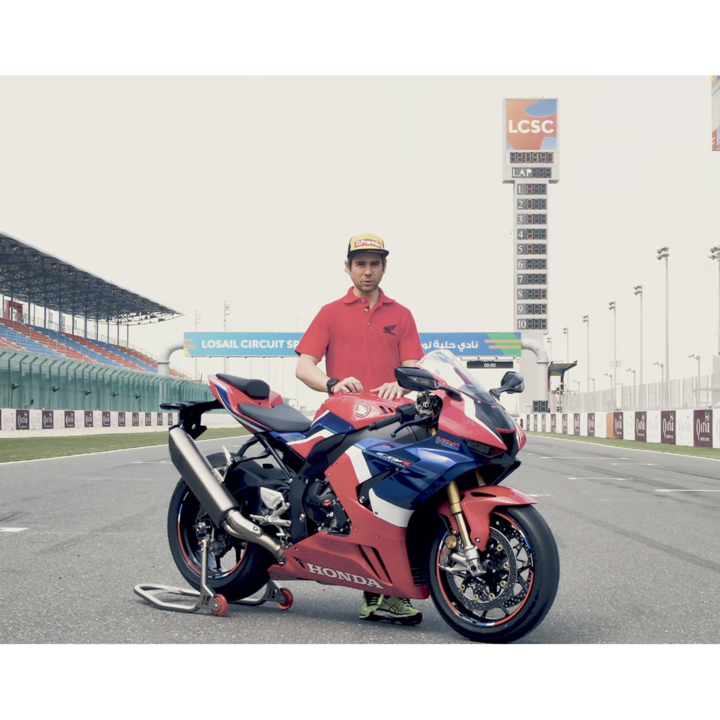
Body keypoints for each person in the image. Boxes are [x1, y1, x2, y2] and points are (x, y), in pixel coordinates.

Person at [295, 234, 425, 626]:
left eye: (374, 263)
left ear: (384, 267)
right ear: (348, 267)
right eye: (360, 263)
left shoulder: (400, 314)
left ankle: (384, 589)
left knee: (402, 500)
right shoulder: (331, 312)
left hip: (392, 421)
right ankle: (376, 591)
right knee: (355, 504)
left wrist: (402, 384)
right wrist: (332, 383)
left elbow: (415, 365)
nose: (367, 270)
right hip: (342, 420)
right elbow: (304, 366)